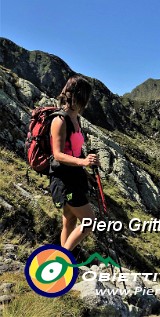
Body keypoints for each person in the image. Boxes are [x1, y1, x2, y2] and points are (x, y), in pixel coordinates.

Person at [48, 76, 97, 251]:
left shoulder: (76, 119)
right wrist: (83, 161)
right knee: (89, 222)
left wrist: (85, 172)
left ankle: (61, 267)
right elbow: (58, 154)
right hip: (64, 180)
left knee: (69, 220)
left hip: (75, 176)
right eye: (86, 97)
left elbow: (74, 150)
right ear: (79, 96)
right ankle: (63, 260)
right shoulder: (59, 120)